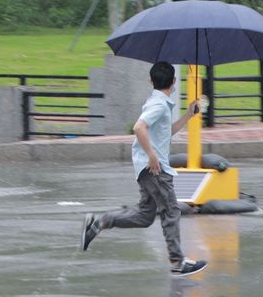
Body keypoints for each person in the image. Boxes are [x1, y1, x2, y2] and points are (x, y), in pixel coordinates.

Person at [80, 61, 207, 277]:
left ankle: (100, 223)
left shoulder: (158, 102)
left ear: (151, 81)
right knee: (170, 210)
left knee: (145, 216)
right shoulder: (158, 105)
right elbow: (139, 127)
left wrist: (188, 115)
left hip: (147, 167)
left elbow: (167, 132)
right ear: (174, 81)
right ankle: (177, 261)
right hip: (154, 168)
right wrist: (152, 156)